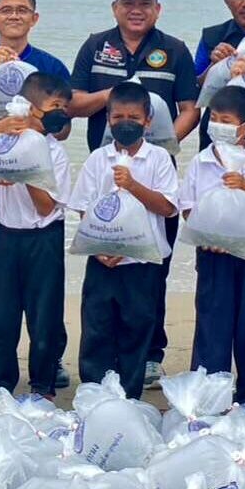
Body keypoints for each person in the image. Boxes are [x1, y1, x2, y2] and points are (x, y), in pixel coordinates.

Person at [71, 0, 199, 386]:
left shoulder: (175, 50)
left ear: (157, 8)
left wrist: (163, 144)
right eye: (128, 2)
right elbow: (73, 103)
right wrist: (114, 94)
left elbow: (190, 110)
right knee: (104, 280)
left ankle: (150, 355)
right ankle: (99, 367)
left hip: (154, 167)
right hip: (105, 168)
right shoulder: (95, 47)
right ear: (115, 6)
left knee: (150, 272)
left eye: (145, 3)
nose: (136, 9)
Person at [0, 0, 70, 388]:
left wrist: (26, 158)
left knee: (46, 298)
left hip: (35, 200)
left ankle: (51, 359)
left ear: (34, 18)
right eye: (5, 10)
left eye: (22, 9)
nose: (13, 16)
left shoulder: (49, 64)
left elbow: (61, 125)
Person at [69, 81, 180, 399]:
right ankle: (94, 393)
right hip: (103, 261)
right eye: (118, 117)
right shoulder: (97, 160)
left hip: (141, 263)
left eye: (133, 117)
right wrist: (101, 247)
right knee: (97, 329)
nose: (125, 123)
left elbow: (168, 208)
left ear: (147, 121)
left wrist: (133, 185)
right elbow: (83, 207)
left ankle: (129, 397)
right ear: (108, 119)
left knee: (137, 328)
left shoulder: (159, 159)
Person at [181, 86, 245, 405]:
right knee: (212, 319)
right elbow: (187, 206)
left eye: (225, 120)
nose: (217, 125)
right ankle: (210, 393)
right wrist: (208, 237)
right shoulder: (202, 161)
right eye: (214, 118)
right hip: (213, 254)